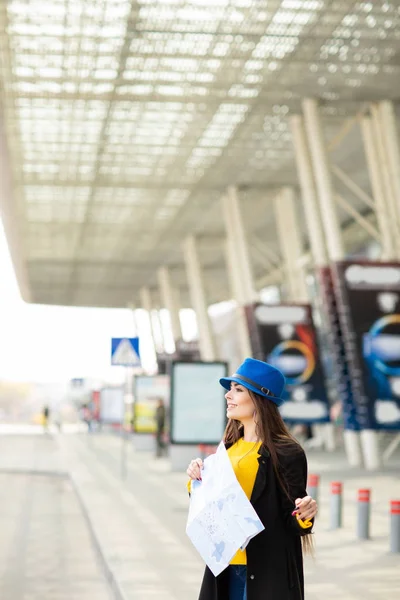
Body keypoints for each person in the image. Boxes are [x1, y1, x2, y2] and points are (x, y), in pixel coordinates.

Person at [186, 357, 318, 600]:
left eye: (238, 389)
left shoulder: (286, 452)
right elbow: (212, 503)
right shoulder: (228, 448)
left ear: (259, 398)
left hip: (267, 571)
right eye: (229, 389)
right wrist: (196, 479)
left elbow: (294, 518)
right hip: (225, 568)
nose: (228, 395)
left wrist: (305, 514)